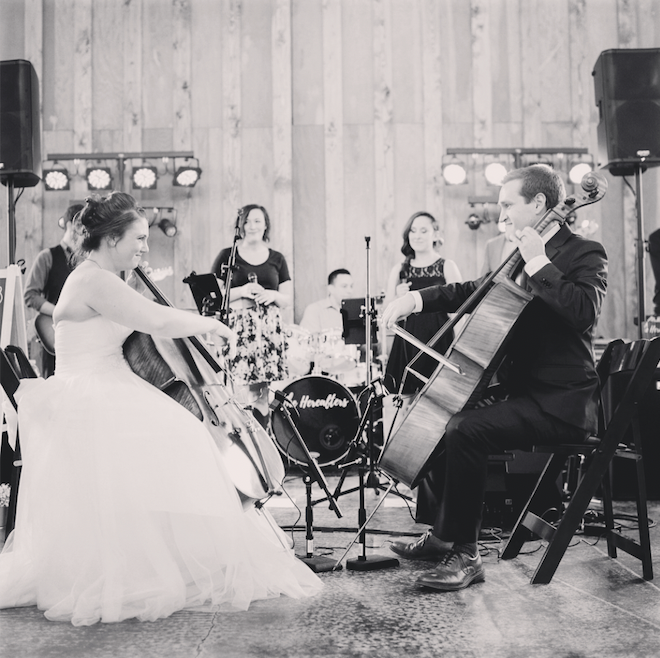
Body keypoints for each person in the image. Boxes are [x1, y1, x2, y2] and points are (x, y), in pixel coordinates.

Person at [0, 192, 321, 625]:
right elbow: (157, 321)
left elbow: (147, 319)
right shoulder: (94, 278)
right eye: (139, 238)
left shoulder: (101, 276)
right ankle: (158, 565)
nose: (144, 248)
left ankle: (158, 559)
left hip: (104, 383)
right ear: (112, 239)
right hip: (93, 390)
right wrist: (211, 324)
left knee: (173, 445)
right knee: (183, 438)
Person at [382, 165, 608, 592]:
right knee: (449, 416)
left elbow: (584, 312)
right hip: (524, 394)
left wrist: (539, 260)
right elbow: (474, 287)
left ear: (538, 204)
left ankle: (466, 555)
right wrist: (414, 298)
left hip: (561, 403)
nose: (501, 212)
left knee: (465, 430)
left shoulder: (584, 252)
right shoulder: (517, 255)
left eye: (508, 204)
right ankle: (443, 536)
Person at [211, 205, 292, 426]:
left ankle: (262, 443)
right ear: (240, 225)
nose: (252, 226)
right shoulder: (227, 255)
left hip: (267, 329)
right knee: (233, 387)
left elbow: (287, 299)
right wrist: (242, 291)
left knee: (261, 393)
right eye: (247, 221)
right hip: (238, 327)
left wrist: (272, 294)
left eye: (257, 221)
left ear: (266, 224)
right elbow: (213, 294)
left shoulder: (277, 258)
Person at [384, 211, 462, 395]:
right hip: (407, 340)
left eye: (423, 231)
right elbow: (386, 311)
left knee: (440, 396)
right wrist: (397, 297)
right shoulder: (399, 269)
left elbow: (461, 309)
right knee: (403, 398)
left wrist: (458, 348)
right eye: (413, 231)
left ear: (435, 234)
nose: (417, 235)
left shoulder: (447, 265)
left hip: (440, 339)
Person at [23, 203, 84, 377]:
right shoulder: (47, 257)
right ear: (70, 225)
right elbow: (30, 295)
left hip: (80, 334)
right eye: (81, 226)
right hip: (54, 333)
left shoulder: (88, 261)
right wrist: (58, 311)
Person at [300, 268, 353, 335]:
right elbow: (310, 341)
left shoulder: (357, 312)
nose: (350, 291)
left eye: (351, 286)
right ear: (331, 289)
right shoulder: (314, 310)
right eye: (344, 286)